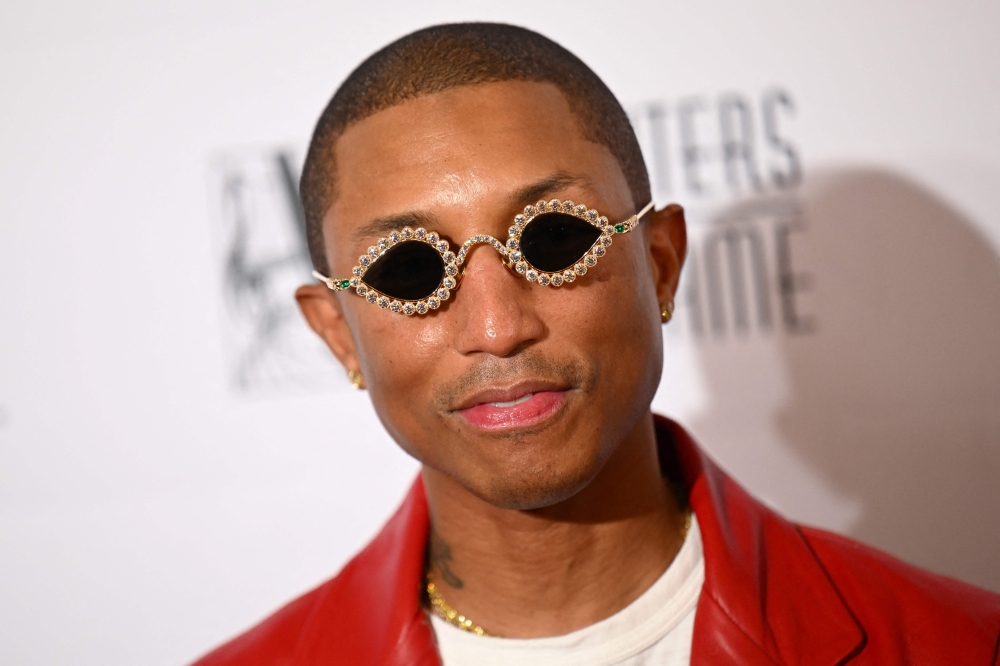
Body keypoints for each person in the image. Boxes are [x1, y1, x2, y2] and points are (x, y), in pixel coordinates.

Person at [192, 23, 1000, 666]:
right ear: (337, 333)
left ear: (660, 264)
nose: (499, 328)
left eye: (552, 239)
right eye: (408, 269)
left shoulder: (959, 646)